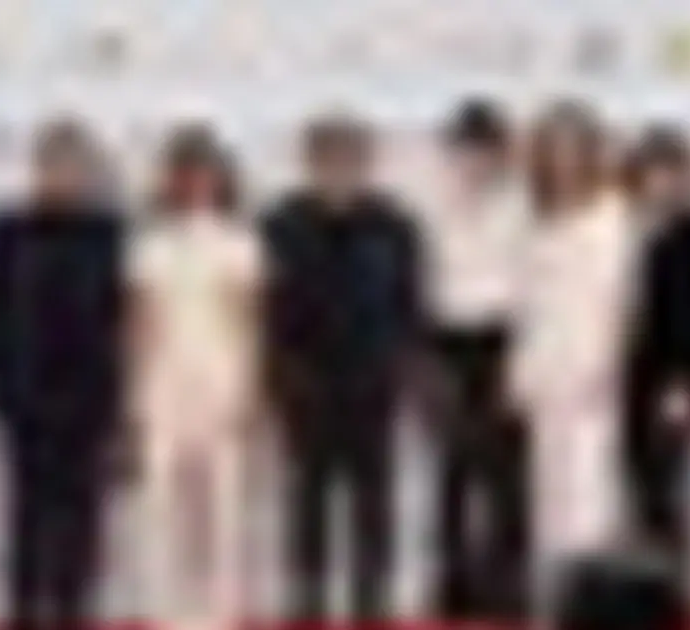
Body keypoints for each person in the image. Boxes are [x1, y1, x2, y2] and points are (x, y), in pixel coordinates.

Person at [262, 114, 424, 621]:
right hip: (305, 383)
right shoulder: (280, 225)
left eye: (349, 159)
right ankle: (307, 602)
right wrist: (281, 375)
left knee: (373, 501)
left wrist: (401, 369)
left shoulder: (394, 226)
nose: (338, 171)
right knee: (306, 501)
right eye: (327, 159)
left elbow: (408, 306)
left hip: (372, 383)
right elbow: (267, 309)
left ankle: (370, 603)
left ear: (367, 163)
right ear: (309, 164)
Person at [0, 119, 126, 630]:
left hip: (90, 400)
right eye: (54, 166)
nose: (64, 177)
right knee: (27, 515)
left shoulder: (109, 234)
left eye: (74, 167)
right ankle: (25, 611)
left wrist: (116, 398)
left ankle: (74, 611)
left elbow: (123, 319)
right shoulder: (4, 232)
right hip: (25, 398)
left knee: (83, 519)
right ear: (36, 169)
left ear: (89, 172)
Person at [128, 125, 259, 629]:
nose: (196, 184)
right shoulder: (151, 242)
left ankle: (220, 609)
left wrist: (249, 387)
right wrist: (135, 389)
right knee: (161, 497)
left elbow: (247, 319)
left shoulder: (238, 241)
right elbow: (141, 320)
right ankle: (164, 608)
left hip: (221, 372)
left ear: (221, 178)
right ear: (170, 179)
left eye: (205, 173)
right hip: (164, 376)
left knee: (222, 497)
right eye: (186, 174)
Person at [509, 102, 638, 612]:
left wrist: (607, 365)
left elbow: (620, 300)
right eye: (553, 148)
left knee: (589, 492)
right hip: (544, 366)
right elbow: (527, 302)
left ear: (590, 152)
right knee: (546, 495)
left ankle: (590, 605)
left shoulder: (612, 215)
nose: (563, 159)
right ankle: (549, 604)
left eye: (572, 147)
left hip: (590, 366)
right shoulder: (537, 219)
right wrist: (518, 369)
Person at [418, 98, 532, 618]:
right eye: (466, 149)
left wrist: (521, 358)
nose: (476, 160)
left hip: (504, 339)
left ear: (503, 153)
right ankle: (452, 587)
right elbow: (421, 281)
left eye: (486, 149)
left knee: (507, 476)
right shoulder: (432, 206)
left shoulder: (523, 206)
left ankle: (508, 588)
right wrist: (425, 357)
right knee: (451, 472)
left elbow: (532, 284)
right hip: (446, 341)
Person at [620, 124, 690, 567]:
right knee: (629, 486)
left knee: (670, 487)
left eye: (672, 173)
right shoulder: (619, 228)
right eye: (654, 173)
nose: (663, 184)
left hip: (672, 377)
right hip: (618, 374)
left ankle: (673, 578)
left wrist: (686, 381)